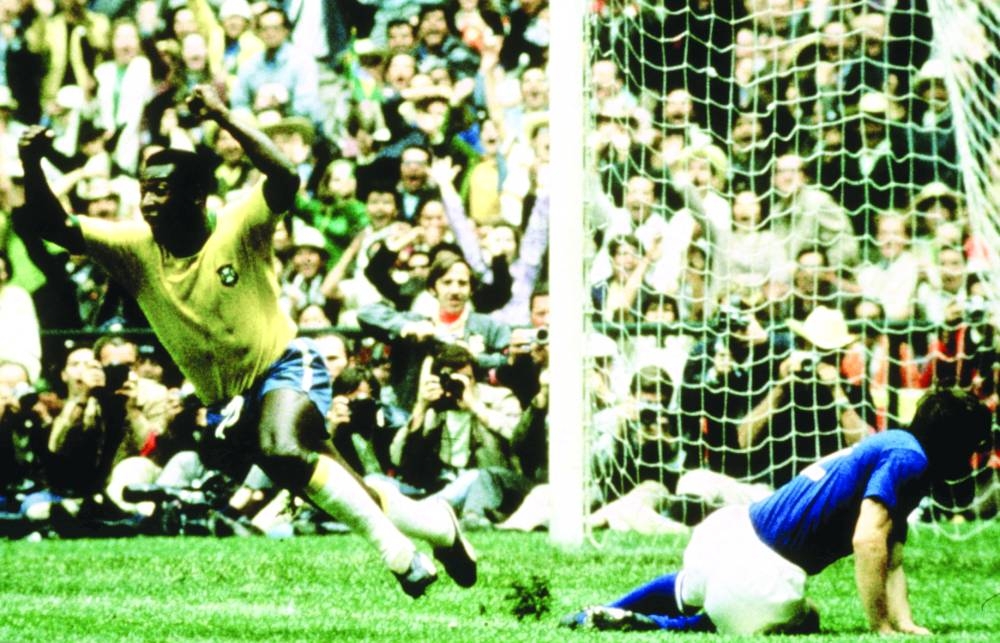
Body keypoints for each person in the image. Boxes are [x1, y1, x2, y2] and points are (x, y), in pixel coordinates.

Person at [19, 84, 474, 597]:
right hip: (228, 405)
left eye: (162, 189)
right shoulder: (133, 246)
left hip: (286, 366)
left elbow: (285, 174)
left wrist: (222, 113)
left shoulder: (237, 224)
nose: (148, 200)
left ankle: (402, 556)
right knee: (341, 485)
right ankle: (438, 525)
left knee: (280, 448)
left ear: (195, 196)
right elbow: (51, 224)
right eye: (145, 188)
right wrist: (31, 164)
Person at [563, 388, 992, 635]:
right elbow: (868, 541)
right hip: (764, 571)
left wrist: (905, 624)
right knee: (799, 620)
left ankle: (598, 611)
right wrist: (879, 627)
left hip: (730, 530)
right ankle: (651, 625)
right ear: (953, 443)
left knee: (688, 587)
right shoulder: (910, 461)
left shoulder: (895, 444)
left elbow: (893, 558)